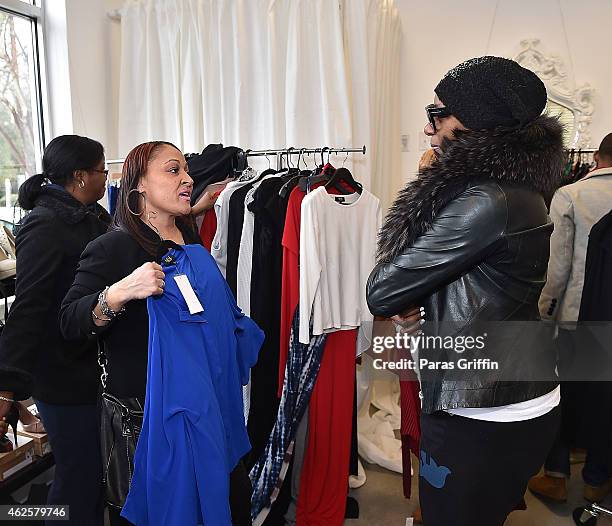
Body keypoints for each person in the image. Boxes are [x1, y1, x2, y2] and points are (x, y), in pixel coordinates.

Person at [366, 56, 565, 526]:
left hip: (480, 411)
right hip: (510, 397)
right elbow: (485, 282)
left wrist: (426, 186)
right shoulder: (515, 189)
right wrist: (431, 306)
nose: (430, 130)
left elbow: (383, 290)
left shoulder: (483, 200)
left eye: (438, 115)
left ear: (474, 122)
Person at [60, 141, 255, 526]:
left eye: (186, 170)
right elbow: (69, 321)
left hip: (208, 412)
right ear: (140, 187)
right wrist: (118, 293)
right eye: (173, 170)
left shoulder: (191, 240)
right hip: (151, 427)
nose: (188, 178)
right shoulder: (113, 248)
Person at [0, 135, 111, 525]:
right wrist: (7, 386)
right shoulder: (45, 224)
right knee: (76, 479)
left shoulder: (90, 217)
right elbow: (28, 307)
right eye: (101, 170)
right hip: (63, 376)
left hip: (86, 370)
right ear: (80, 176)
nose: (106, 177)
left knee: (89, 477)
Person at [529, 132, 612, 503]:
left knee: (561, 394)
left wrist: (543, 313)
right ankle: (597, 477)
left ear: (596, 156)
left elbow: (558, 267)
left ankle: (557, 475)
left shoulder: (571, 195)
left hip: (576, 315)